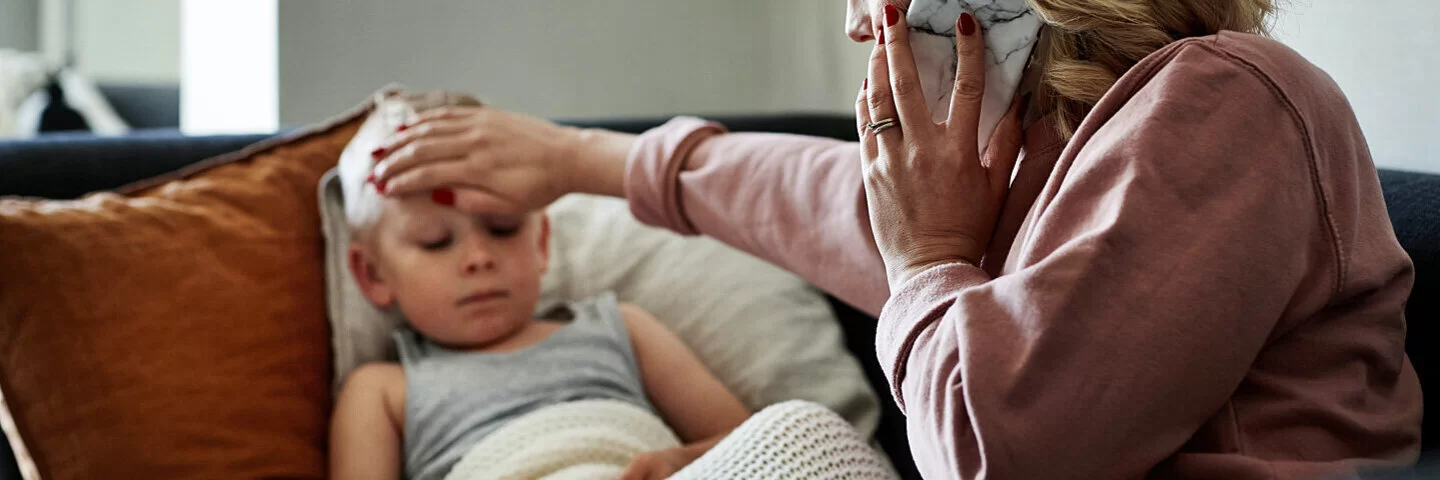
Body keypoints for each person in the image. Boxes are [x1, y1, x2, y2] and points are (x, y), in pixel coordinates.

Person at [366, 0, 1423, 477]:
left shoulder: (1225, 100)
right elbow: (832, 203)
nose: (857, 24)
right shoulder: (1054, 157)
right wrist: (586, 159)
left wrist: (928, 260)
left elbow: (995, 453)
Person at [326, 154, 751, 479]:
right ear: (373, 274)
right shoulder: (382, 389)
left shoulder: (621, 328)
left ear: (542, 241)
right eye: (435, 242)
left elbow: (754, 442)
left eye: (503, 229)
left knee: (803, 423)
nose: (478, 258)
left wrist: (683, 461)